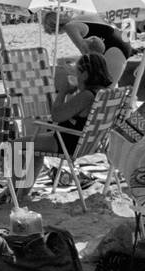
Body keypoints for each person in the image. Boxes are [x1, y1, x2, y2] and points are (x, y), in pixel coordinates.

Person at [27, 52, 114, 185]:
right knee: (33, 149)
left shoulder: (86, 96)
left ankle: (18, 192)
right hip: (90, 143)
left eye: (77, 72)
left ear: (85, 75)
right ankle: (21, 190)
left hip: (68, 143)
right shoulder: (106, 93)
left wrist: (63, 92)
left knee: (15, 145)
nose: (76, 76)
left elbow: (56, 115)